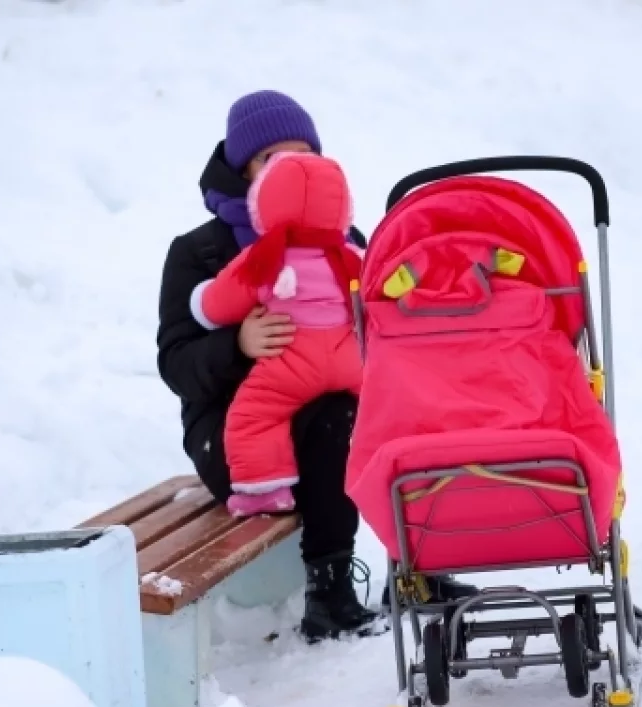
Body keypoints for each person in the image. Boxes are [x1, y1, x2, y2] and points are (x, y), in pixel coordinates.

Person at [155, 89, 476, 643]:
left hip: (333, 413)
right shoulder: (200, 253)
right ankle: (329, 595)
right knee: (338, 418)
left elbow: (381, 327)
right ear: (241, 169)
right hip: (239, 439)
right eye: (269, 158)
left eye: (303, 154)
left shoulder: (341, 243)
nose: (290, 168)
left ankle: (418, 568)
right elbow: (175, 363)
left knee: (397, 410)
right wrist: (238, 344)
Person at [188, 151, 364, 519]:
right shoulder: (351, 254)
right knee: (382, 400)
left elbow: (220, 302)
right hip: (348, 360)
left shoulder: (265, 257)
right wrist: (236, 344)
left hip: (291, 364)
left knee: (255, 415)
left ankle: (265, 490)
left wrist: (201, 303)